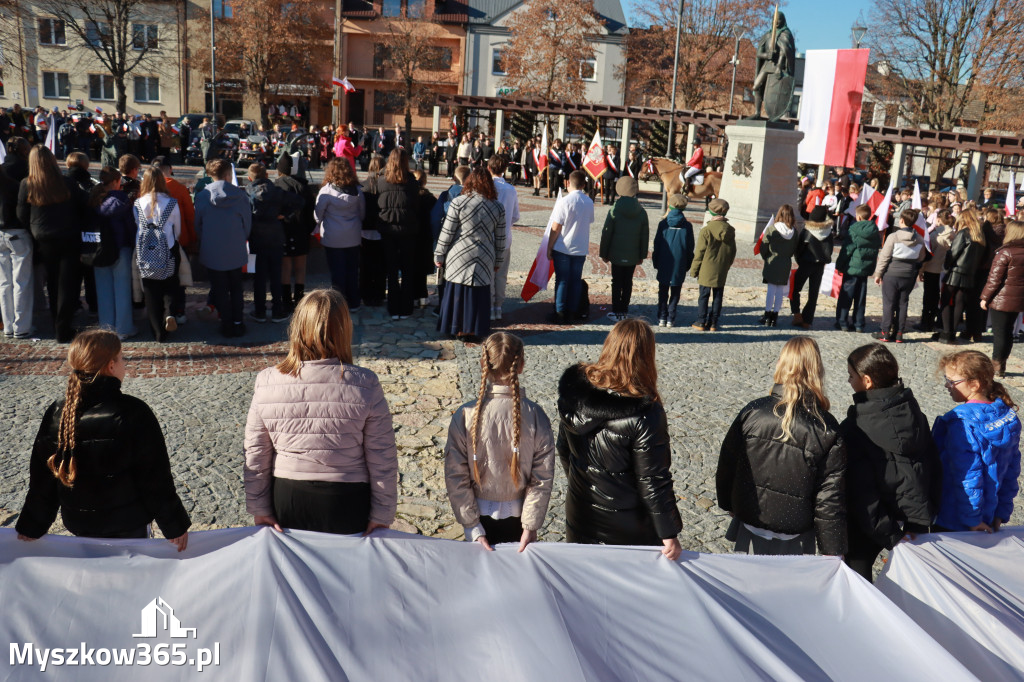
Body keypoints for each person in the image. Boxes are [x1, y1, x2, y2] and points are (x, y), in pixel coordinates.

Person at [15, 329, 191, 548]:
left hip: (80, 526)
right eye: (122, 358)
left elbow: (44, 477)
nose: (125, 364)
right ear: (111, 366)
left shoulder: (58, 412)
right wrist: (174, 525)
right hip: (129, 528)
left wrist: (32, 524)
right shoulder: (134, 412)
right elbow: (154, 478)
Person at [244, 289, 398, 535]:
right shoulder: (365, 383)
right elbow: (382, 456)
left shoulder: (267, 381)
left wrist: (258, 506)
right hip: (347, 499)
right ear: (344, 330)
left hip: (287, 497)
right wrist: (382, 512)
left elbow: (256, 453)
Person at [556, 319, 683, 559]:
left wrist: (584, 487)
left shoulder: (576, 393)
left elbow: (564, 450)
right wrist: (669, 534)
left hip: (580, 512)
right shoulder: (645, 413)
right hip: (626, 528)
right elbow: (653, 480)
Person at [716, 336, 846, 556]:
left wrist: (729, 503)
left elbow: (727, 463)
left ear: (781, 364)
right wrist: (832, 549)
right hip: (796, 531)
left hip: (750, 520)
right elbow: (829, 496)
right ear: (817, 370)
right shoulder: (826, 427)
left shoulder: (753, 411)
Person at [444, 332, 555, 551]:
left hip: (479, 518)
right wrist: (530, 526)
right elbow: (542, 476)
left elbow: (455, 474)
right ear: (521, 365)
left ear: (482, 363)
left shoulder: (465, 415)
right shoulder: (536, 415)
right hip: (520, 521)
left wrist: (472, 526)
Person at [841, 343, 941, 581]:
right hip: (912, 519)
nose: (848, 380)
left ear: (866, 381)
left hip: (869, 526)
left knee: (855, 581)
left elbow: (862, 492)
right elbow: (931, 465)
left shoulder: (855, 428)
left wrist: (891, 536)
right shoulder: (914, 411)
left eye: (850, 376)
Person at [932, 351, 1021, 532]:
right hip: (988, 514)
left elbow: (967, 476)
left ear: (975, 384)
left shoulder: (962, 424)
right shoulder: (1008, 416)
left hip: (956, 518)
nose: (947, 385)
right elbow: (1011, 471)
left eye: (952, 381)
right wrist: (1000, 512)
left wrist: (972, 521)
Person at [17, 145, 88, 343]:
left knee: (53, 283)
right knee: (68, 284)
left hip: (43, 238)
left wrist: (33, 230)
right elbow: (83, 205)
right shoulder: (67, 182)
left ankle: (57, 323)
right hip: (68, 236)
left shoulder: (27, 184)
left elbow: (21, 214)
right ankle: (63, 327)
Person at [434, 168, 506, 342]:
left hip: (459, 255)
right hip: (484, 255)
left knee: (458, 293)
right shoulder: (497, 206)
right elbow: (501, 238)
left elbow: (447, 232)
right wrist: (498, 260)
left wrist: (439, 255)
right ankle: (474, 330)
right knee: (478, 295)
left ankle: (457, 329)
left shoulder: (458, 202)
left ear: (469, 182)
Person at [194, 158, 252, 338]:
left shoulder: (202, 196)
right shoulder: (241, 196)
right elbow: (247, 224)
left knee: (219, 289)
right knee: (236, 288)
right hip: (235, 248)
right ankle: (237, 322)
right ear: (228, 175)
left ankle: (226, 323)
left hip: (212, 249)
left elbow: (198, 225)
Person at [247, 163, 303, 323]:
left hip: (256, 239)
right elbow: (299, 201)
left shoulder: (247, 192)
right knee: (276, 275)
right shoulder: (276, 192)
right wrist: (285, 215)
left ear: (250, 178)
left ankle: (260, 311)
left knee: (258, 277)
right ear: (266, 176)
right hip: (276, 237)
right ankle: (277, 309)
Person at [133, 167, 181, 342]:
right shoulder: (171, 203)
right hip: (167, 249)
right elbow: (178, 230)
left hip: (145, 252)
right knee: (170, 284)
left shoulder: (138, 204)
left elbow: (137, 225)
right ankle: (169, 313)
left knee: (151, 291)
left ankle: (157, 332)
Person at [90, 167, 137, 339]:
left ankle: (106, 327)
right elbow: (130, 227)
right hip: (120, 248)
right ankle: (124, 328)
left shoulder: (94, 199)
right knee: (122, 290)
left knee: (103, 291)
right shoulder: (122, 200)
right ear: (117, 181)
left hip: (98, 248)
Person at [377, 148, 424, 320]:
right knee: (407, 269)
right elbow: (416, 206)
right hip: (408, 229)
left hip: (388, 229)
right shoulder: (412, 182)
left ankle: (393, 307)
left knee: (391, 269)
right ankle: (406, 307)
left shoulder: (381, 182)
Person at [315, 158, 366, 311]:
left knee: (337, 272)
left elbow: (318, 215)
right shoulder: (357, 191)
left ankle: (339, 304)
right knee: (352, 270)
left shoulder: (326, 191)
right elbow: (362, 213)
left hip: (333, 236)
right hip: (353, 235)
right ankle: (354, 302)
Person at [872, 208, 927, 343]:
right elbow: (921, 257)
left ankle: (885, 331)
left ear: (901, 220)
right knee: (903, 303)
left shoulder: (894, 236)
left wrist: (878, 273)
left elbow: (884, 256)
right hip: (909, 275)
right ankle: (899, 333)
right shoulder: (919, 239)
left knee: (889, 303)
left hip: (892, 274)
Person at [547, 170, 595, 324]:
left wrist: (549, 247)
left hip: (563, 247)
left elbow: (556, 227)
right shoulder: (589, 202)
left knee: (562, 280)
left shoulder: (564, 201)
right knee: (575, 280)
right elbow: (589, 221)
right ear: (584, 185)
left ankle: (560, 312)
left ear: (568, 183)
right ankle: (572, 311)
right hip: (580, 247)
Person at [152, 156, 196, 325]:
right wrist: (192, 238)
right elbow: (190, 217)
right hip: (178, 241)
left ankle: (159, 313)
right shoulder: (179, 188)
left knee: (156, 281)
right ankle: (178, 311)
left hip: (152, 244)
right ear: (169, 169)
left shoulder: (145, 190)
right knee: (178, 279)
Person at [599, 176, 649, 320]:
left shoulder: (614, 210)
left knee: (616, 282)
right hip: (633, 255)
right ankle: (624, 310)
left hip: (615, 253)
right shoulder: (641, 211)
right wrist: (642, 255)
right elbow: (644, 235)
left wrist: (604, 252)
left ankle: (616, 311)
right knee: (628, 282)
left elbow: (606, 233)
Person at [980, 219, 1024, 377]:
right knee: (1008, 332)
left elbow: (994, 279)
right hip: (1018, 299)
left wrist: (985, 297)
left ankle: (997, 366)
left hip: (1002, 299)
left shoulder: (1006, 252)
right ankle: (1001, 365)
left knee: (1000, 333)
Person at [0, 137, 33, 338]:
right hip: (17, 230)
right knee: (21, 281)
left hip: (0, 230)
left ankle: (9, 326)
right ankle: (21, 327)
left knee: (4, 282)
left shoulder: (1, 168)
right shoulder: (27, 170)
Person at [939, 209, 986, 344]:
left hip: (956, 271)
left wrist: (947, 265)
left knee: (946, 301)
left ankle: (947, 333)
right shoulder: (980, 235)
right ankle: (952, 333)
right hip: (970, 273)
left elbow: (953, 253)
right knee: (960, 302)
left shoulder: (964, 233)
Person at [689, 198, 736, 332]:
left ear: (711, 211)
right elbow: (733, 251)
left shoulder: (706, 230)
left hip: (706, 268)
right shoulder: (731, 230)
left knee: (703, 295)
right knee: (718, 296)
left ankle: (700, 321)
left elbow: (700, 253)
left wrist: (694, 270)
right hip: (721, 268)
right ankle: (714, 323)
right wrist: (727, 265)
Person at [275, 154, 315, 309]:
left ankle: (286, 300)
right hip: (301, 230)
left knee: (285, 266)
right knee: (300, 266)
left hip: (283, 230)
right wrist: (309, 230)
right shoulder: (303, 187)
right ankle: (299, 298)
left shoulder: (276, 186)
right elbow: (311, 212)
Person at [835, 204, 882, 333]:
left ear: (859, 217)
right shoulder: (874, 229)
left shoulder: (854, 228)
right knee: (861, 297)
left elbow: (847, 249)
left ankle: (842, 321)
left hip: (852, 267)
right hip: (865, 268)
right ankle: (859, 324)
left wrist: (839, 264)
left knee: (846, 296)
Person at [652, 193, 694, 328]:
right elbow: (690, 248)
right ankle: (671, 317)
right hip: (679, 263)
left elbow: (657, 244)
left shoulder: (663, 224)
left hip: (664, 261)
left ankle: (662, 317)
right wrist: (688, 264)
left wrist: (655, 261)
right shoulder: (687, 226)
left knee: (662, 290)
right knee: (676, 291)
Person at [790, 205, 833, 329]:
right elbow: (829, 250)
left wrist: (799, 261)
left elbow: (798, 249)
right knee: (813, 294)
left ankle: (797, 314)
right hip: (819, 266)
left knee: (795, 289)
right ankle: (807, 320)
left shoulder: (807, 230)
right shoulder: (828, 232)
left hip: (805, 263)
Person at [488, 155, 519, 321]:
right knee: (501, 274)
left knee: (488, 274)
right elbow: (515, 216)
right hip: (505, 238)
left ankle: (489, 305)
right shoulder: (511, 190)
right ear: (504, 169)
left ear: (489, 168)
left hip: (488, 237)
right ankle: (497, 307)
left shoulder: (486, 187)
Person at [758, 204, 798, 327]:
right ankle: (775, 316)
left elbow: (763, 247)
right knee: (780, 290)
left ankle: (767, 315)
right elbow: (794, 249)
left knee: (771, 289)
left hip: (773, 260)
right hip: (785, 262)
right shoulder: (794, 232)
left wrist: (767, 257)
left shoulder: (772, 229)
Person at [917, 209, 955, 333]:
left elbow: (928, 255)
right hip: (944, 270)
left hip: (932, 269)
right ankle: (935, 321)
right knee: (939, 297)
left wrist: (921, 270)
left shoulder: (935, 236)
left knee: (928, 297)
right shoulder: (954, 235)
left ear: (938, 219)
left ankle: (925, 323)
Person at [360, 154, 387, 307]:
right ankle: (379, 293)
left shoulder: (363, 185)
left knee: (365, 265)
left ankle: (365, 293)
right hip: (381, 229)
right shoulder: (385, 184)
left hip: (365, 230)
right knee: (380, 265)